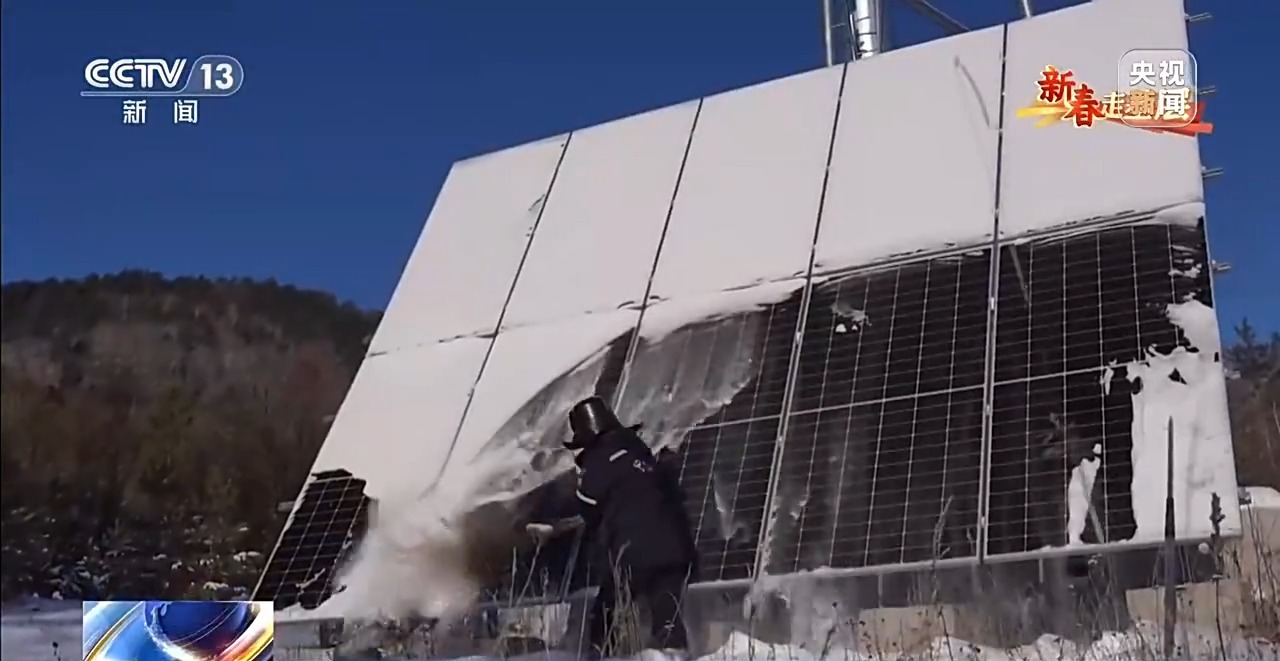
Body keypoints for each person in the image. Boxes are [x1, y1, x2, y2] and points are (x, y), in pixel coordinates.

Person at [530, 396, 698, 659]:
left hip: (633, 553)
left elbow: (587, 505)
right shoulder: (639, 451)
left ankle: (601, 654)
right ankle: (675, 653)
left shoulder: (600, 458)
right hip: (676, 546)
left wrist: (557, 525)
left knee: (608, 610)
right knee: (667, 612)